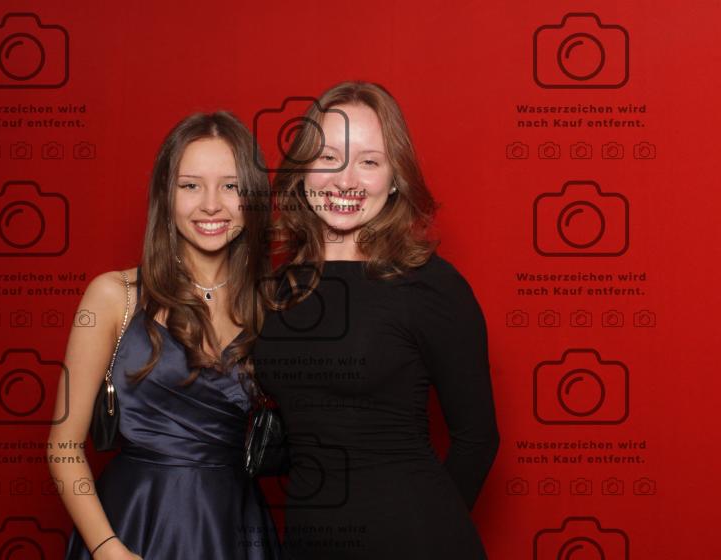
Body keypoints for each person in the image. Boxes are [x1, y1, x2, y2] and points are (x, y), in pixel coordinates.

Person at [251, 81, 500, 559]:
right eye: (328, 157)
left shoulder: (430, 286)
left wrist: (431, 534)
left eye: (368, 162)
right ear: (302, 170)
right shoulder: (278, 289)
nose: (345, 181)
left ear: (395, 178)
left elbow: (477, 440)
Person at [48, 111, 280, 559]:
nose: (210, 205)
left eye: (230, 186)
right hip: (134, 526)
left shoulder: (272, 307)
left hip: (234, 530)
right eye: (190, 185)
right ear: (165, 195)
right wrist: (107, 549)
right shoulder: (113, 297)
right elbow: (63, 446)